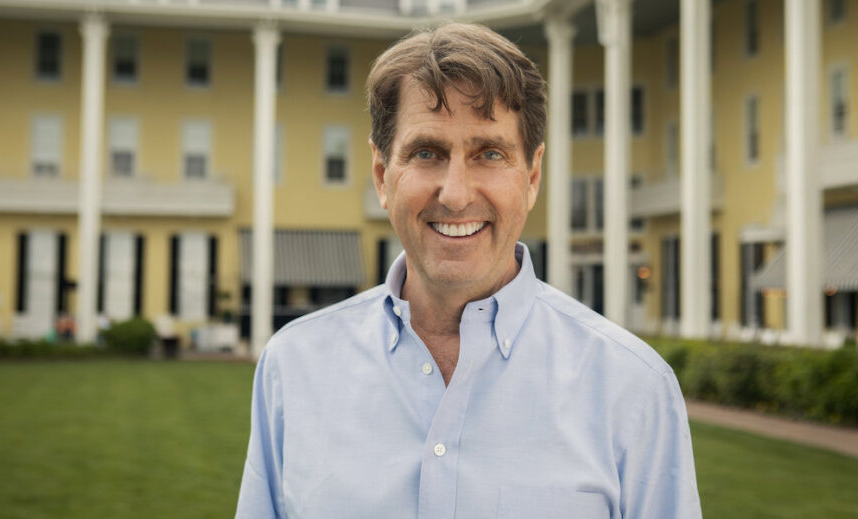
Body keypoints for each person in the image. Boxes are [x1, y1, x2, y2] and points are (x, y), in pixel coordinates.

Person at [235, 22, 701, 518]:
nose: (455, 194)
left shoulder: (632, 388)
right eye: (427, 153)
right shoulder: (293, 367)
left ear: (533, 177)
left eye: (490, 154)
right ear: (382, 177)